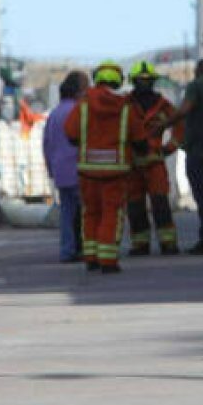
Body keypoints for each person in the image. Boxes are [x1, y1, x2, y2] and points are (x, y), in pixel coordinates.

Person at [64, 61, 145, 274]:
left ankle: (91, 257)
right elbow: (141, 139)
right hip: (115, 174)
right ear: (118, 81)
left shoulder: (83, 104)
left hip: (87, 173)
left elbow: (71, 134)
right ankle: (108, 260)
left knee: (90, 213)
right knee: (112, 214)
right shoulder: (126, 107)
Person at [155, 58, 203, 255]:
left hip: (200, 152)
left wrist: (163, 125)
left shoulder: (196, 86)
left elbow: (184, 110)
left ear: (199, 71)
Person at [125, 60, 181, 256]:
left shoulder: (163, 104)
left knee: (160, 204)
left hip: (155, 163)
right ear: (133, 81)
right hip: (132, 166)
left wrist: (171, 146)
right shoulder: (125, 103)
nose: (144, 83)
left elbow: (180, 124)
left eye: (148, 80)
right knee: (135, 207)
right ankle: (140, 245)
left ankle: (168, 243)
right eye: (140, 80)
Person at [42, 70, 88, 263]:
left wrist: (51, 170)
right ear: (78, 92)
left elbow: (46, 144)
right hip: (80, 168)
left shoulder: (54, 114)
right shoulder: (79, 111)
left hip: (60, 170)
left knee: (67, 214)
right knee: (86, 213)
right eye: (86, 87)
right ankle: (85, 248)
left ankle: (67, 250)